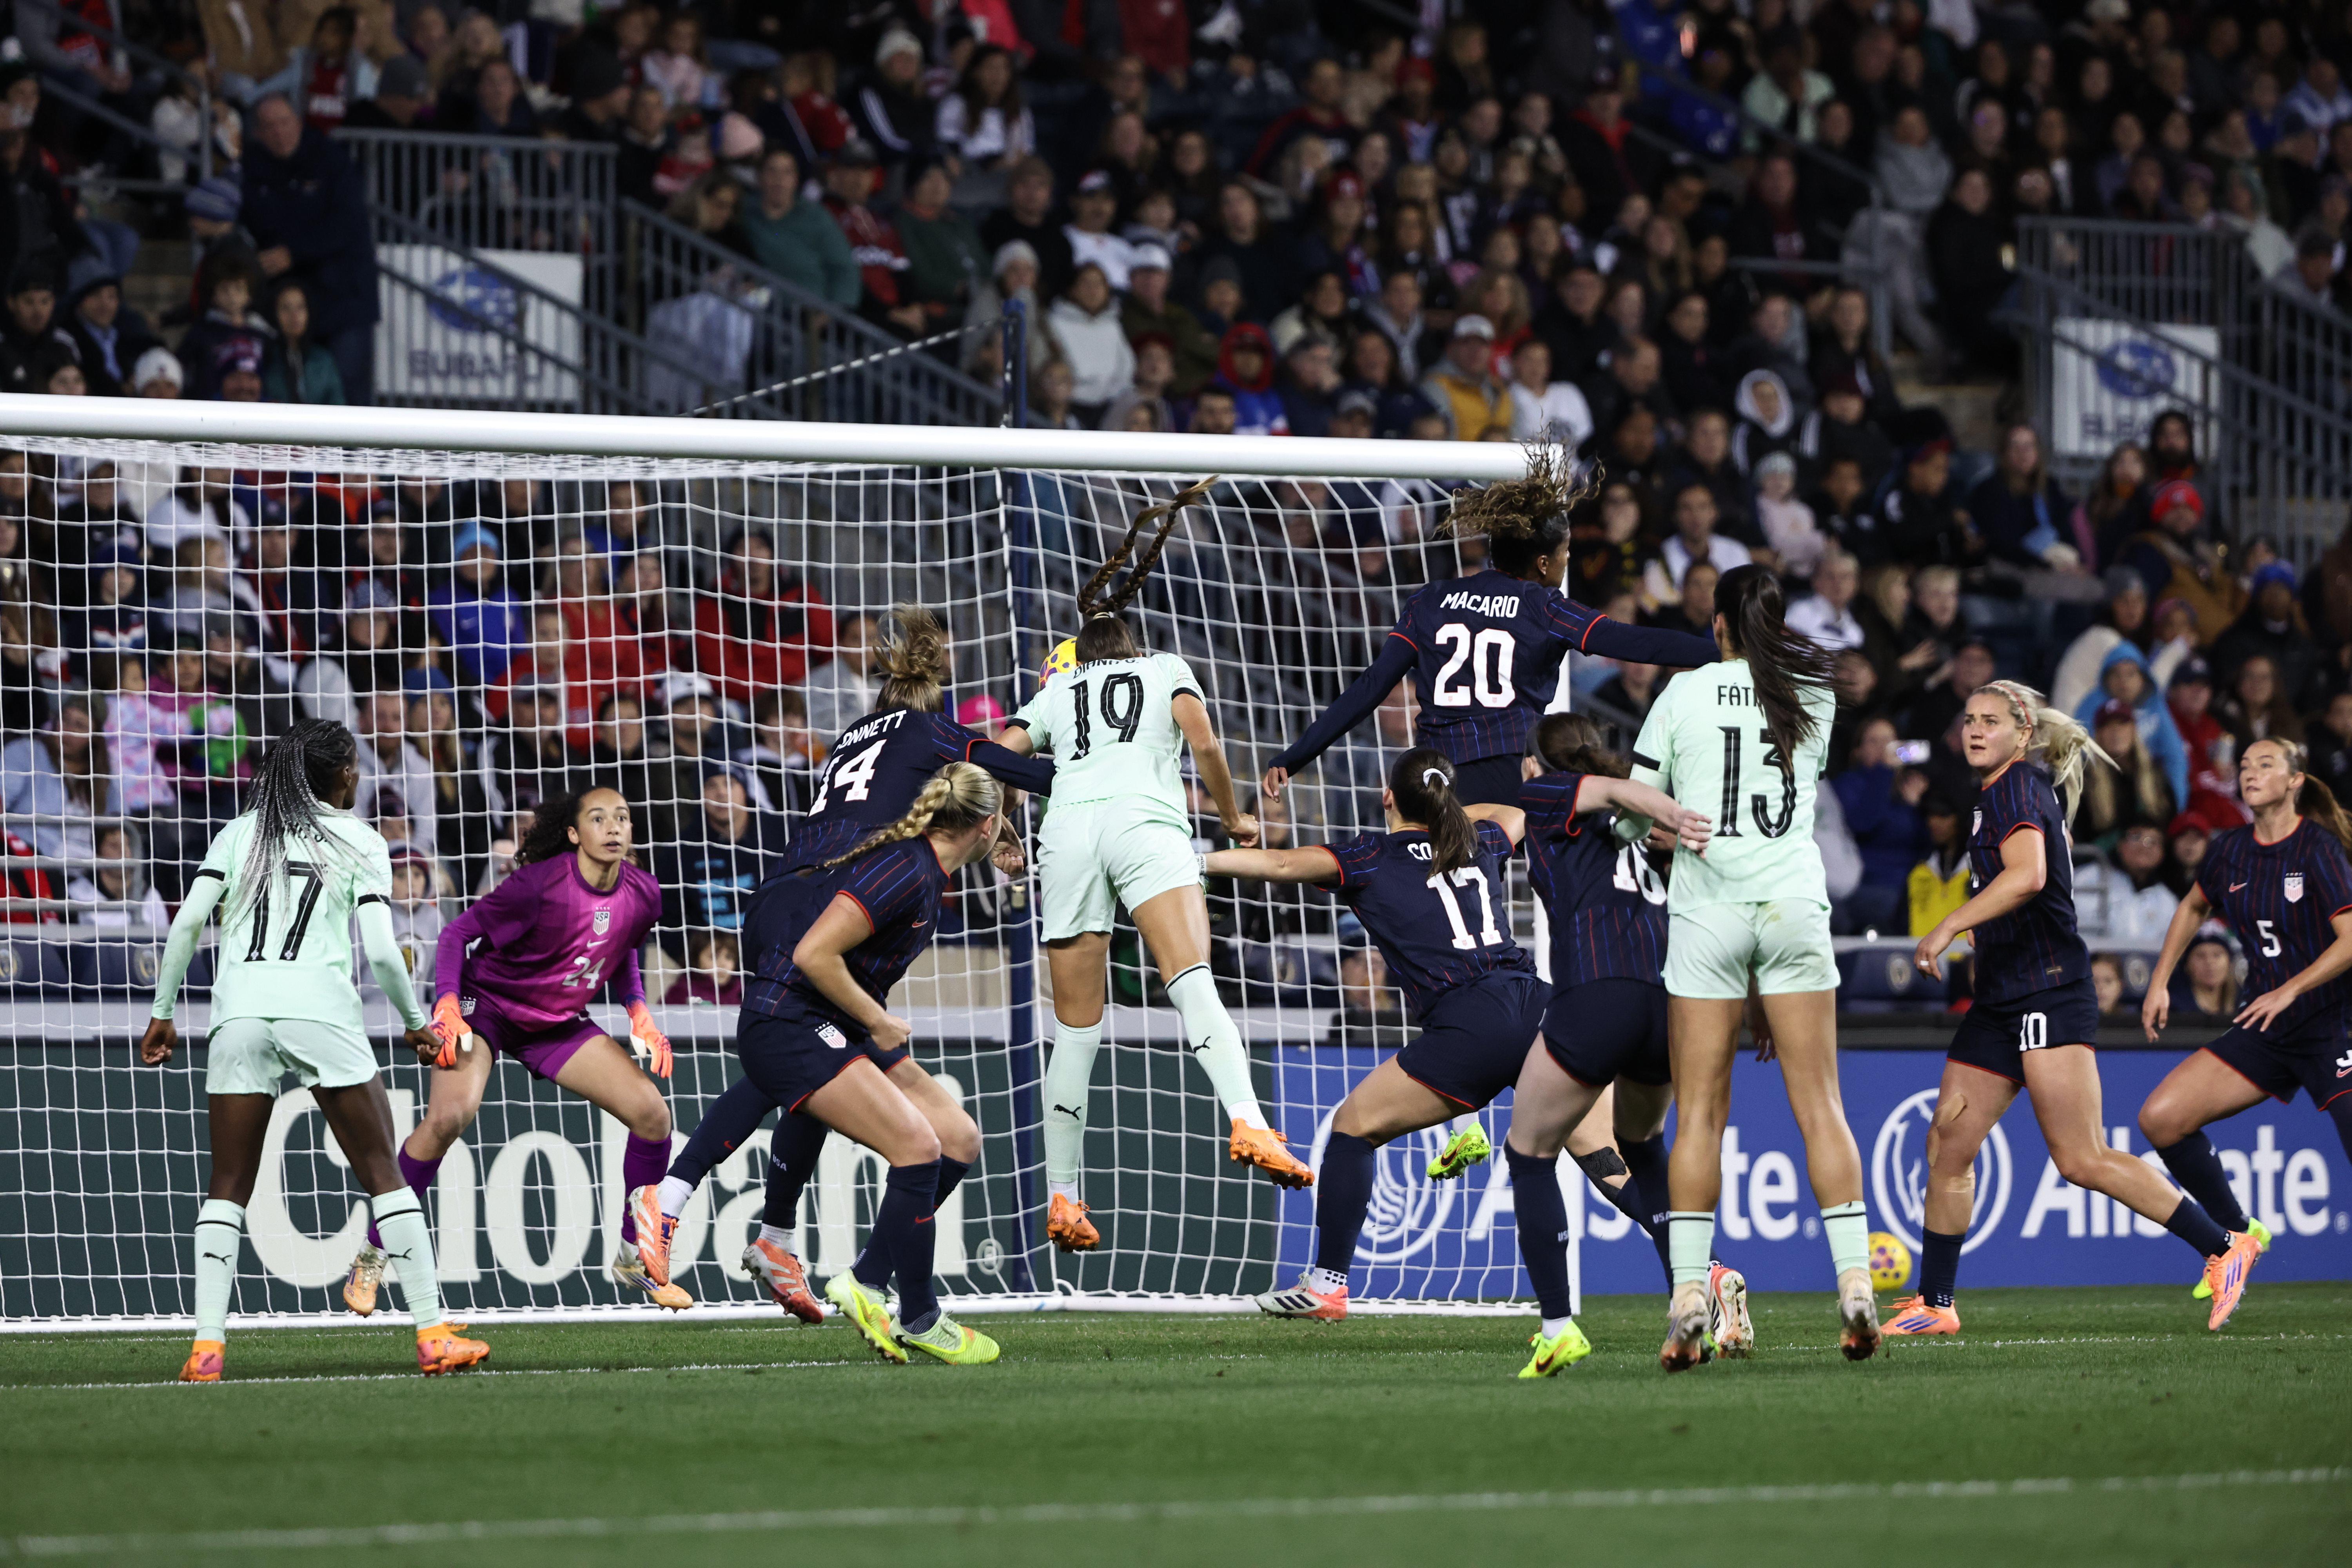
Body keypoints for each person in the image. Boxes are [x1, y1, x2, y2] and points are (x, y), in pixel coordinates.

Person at [639, 606, 1054, 1315]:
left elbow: (932, 796)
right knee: (793, 1049)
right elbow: (1001, 764)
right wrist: (1074, 749)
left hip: (790, 888)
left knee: (817, 1059)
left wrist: (1000, 822)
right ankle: (675, 1195)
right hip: (837, 902)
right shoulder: (929, 736)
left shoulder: (851, 741)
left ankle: (774, 1236)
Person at [997, 480, 1311, 1253]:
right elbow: (1202, 741)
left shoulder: (1057, 687)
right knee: (1191, 980)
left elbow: (1001, 750)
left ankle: (1064, 1196)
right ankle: (1248, 1121)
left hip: (1067, 832)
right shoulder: (1164, 664)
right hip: (1147, 822)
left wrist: (1001, 822)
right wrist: (1233, 813)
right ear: (1130, 647)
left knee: (1075, 1032)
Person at [1895, 682, 2263, 1338]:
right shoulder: (1994, 793)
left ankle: (2223, 1246)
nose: (1975, 730)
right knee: (1949, 1145)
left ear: (2023, 733)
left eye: (1991, 721)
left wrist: (1950, 925)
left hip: (2048, 991)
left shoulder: (2016, 786)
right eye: (1970, 720)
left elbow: (2030, 875)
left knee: (2082, 1158)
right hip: (2001, 997)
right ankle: (1937, 1303)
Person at [136, 719, 486, 1381]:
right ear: (333, 775)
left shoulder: (242, 831)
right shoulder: (359, 839)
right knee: (383, 1171)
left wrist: (162, 1013)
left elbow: (186, 924)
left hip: (239, 1012)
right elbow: (382, 952)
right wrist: (417, 1024)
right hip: (319, 1012)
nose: (358, 776)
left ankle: (206, 1346)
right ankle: (433, 1331)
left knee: (228, 1184)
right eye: (351, 766)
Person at [1621, 563, 1880, 1367]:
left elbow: (1635, 815)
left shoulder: (1683, 693)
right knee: (1822, 1105)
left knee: (1698, 1113)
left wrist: (1651, 832)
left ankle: (1691, 1292)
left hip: (1709, 910)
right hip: (1793, 907)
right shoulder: (1818, 694)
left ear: (1718, 622)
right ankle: (1857, 1284)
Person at [335, 787, 686, 1316]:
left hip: (557, 1023)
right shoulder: (539, 886)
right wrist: (448, 1005)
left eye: (623, 818)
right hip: (490, 1006)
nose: (614, 828)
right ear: (573, 834)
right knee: (450, 1116)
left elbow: (625, 946)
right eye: (599, 819)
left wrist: (639, 1009)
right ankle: (372, 1255)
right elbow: (456, 934)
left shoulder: (645, 892)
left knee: (653, 1115)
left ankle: (634, 1254)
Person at [725, 761, 1010, 1365]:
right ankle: (921, 1315)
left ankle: (867, 1278)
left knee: (958, 1137)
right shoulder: (906, 870)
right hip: (791, 1022)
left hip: (835, 1023)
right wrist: (877, 1021)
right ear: (985, 825)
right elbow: (814, 954)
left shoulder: (927, 867)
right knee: (918, 1148)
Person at [1265, 447, 1718, 809]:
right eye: (1565, 553)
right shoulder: (1544, 607)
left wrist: (1296, 755)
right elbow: (1631, 641)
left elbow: (1371, 685)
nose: (1567, 562)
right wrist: (1720, 652)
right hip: (1505, 771)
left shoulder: (1431, 598)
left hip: (1433, 774)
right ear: (1543, 562)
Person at [1508, 713, 1746, 1366]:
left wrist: (1675, 809)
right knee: (1643, 1145)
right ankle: (1690, 1298)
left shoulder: (1550, 794)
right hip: (1666, 1002)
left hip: (1597, 992)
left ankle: (1558, 1328)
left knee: (1529, 1152)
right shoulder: (1637, 840)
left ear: (1537, 766)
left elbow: (1614, 793)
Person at [2140, 737, 2352, 1301]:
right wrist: (2161, 980)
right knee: (2162, 1118)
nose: (2251, 773)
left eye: (2266, 764)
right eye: (2244, 766)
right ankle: (2240, 1234)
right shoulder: (2230, 848)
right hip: (2270, 1026)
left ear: (2295, 781)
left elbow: (2350, 941)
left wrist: (2292, 989)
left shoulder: (2317, 849)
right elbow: (2193, 906)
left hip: (2335, 1023)